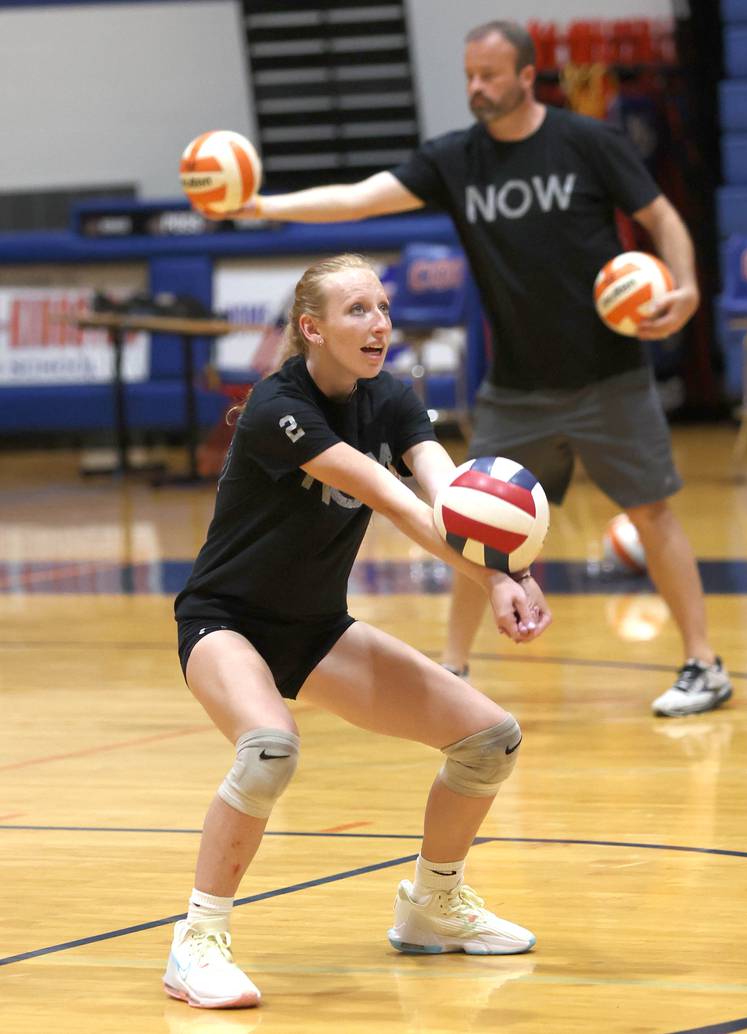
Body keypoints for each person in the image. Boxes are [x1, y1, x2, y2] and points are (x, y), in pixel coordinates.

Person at [208, 19, 732, 720]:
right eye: (469, 77)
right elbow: (361, 197)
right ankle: (454, 665)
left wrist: (687, 285)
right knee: (469, 515)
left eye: (489, 75)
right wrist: (262, 206)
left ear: (525, 75)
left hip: (608, 375)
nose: (477, 88)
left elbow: (664, 218)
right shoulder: (457, 159)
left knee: (653, 513)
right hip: (516, 386)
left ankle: (703, 662)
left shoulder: (586, 142)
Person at [166, 254, 551, 1009]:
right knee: (269, 749)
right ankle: (197, 941)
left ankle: (433, 906)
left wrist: (511, 566)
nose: (379, 323)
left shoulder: (395, 398)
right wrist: (493, 581)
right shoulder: (281, 405)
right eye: (357, 311)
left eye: (382, 307)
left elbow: (446, 494)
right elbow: (393, 501)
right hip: (225, 623)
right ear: (311, 328)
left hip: (315, 629)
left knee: (487, 741)